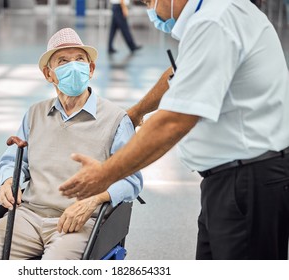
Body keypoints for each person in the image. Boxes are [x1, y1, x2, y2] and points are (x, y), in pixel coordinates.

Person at [59, 0, 289, 260]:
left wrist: (105, 174)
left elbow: (175, 120)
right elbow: (176, 75)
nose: (151, 10)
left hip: (247, 182)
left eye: (149, 2)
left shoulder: (214, 21)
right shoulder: (214, 13)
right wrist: (136, 112)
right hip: (230, 180)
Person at [0, 28, 143, 260]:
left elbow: (131, 180)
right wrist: (9, 181)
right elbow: (13, 160)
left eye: (80, 59)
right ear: (49, 75)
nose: (73, 66)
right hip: (28, 215)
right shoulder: (34, 114)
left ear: (90, 69)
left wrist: (94, 201)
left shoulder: (115, 119)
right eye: (63, 61)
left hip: (78, 221)